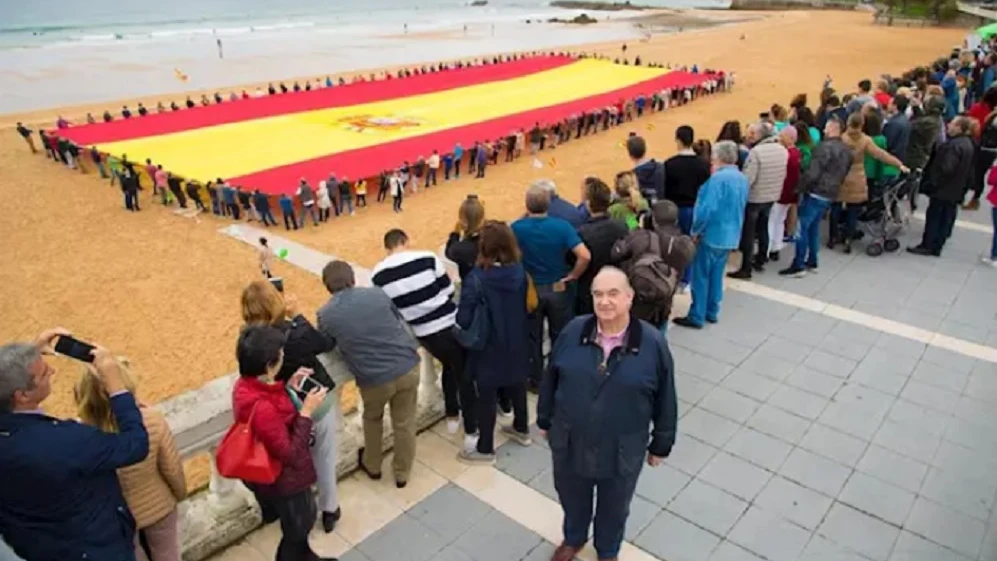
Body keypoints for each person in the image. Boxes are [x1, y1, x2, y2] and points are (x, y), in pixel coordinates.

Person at [538, 267, 676, 561]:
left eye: (613, 294)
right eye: (598, 294)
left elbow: (666, 397)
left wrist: (661, 443)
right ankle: (574, 537)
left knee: (615, 506)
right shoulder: (574, 331)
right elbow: (550, 377)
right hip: (570, 440)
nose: (605, 301)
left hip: (622, 446)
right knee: (572, 496)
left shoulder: (652, 344)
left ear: (629, 298)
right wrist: (545, 418)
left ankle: (608, 550)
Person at [0, 329, 150, 561]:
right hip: (97, 550)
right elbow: (135, 444)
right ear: (21, 395)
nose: (52, 370)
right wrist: (115, 383)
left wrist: (27, 357)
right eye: (43, 374)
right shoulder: (67, 441)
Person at [240, 281, 341, 533]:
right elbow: (325, 343)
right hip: (315, 401)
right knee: (324, 459)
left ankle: (300, 508)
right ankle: (329, 510)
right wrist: (296, 316)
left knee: (295, 466)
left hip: (283, 411)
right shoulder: (293, 331)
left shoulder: (249, 340)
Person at [232, 326, 334, 561]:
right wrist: (306, 411)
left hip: (278, 479)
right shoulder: (261, 406)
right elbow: (289, 452)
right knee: (297, 530)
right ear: (269, 365)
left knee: (299, 529)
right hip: (286, 481)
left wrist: (289, 387)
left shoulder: (246, 386)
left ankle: (307, 556)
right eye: (280, 353)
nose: (284, 356)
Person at [316, 261, 421, 488]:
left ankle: (373, 465)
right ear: (352, 279)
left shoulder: (325, 314)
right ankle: (402, 473)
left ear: (327, 286)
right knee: (405, 423)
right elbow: (396, 321)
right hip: (406, 365)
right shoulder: (377, 294)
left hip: (374, 380)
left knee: (372, 419)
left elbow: (325, 344)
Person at [74, 360, 186, 561]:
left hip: (117, 517)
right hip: (159, 505)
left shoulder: (80, 436)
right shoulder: (151, 419)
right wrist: (179, 494)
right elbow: (172, 468)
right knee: (168, 554)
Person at [371, 229, 476, 444]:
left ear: (387, 247)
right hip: (449, 324)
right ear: (405, 240)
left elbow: (391, 309)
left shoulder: (377, 276)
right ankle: (472, 430)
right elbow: (447, 290)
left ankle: (452, 414)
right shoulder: (427, 257)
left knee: (450, 365)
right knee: (465, 375)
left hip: (424, 334)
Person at [455, 221, 533, 463]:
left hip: (488, 345)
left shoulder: (477, 278)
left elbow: (464, 318)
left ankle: (486, 448)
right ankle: (522, 428)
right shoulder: (520, 271)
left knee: (486, 397)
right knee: (517, 383)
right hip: (518, 338)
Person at [512, 183, 591, 391]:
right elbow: (584, 256)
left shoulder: (517, 228)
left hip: (532, 290)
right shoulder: (561, 226)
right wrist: (572, 276)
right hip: (558, 287)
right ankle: (559, 377)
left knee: (533, 337)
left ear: (527, 205)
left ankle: (536, 380)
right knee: (560, 335)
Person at [673, 142, 749, 328]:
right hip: (730, 234)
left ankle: (697, 314)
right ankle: (712, 311)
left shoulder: (717, 180)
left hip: (712, 234)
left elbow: (706, 209)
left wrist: (695, 231)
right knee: (716, 274)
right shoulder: (741, 178)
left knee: (701, 276)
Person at [779, 118, 853, 277]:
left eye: (827, 128)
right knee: (813, 228)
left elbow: (812, 173)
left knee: (802, 227)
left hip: (816, 192)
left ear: (833, 129)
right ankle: (812, 260)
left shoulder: (823, 148)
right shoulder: (846, 150)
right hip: (830, 193)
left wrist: (798, 188)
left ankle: (798, 264)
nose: (824, 131)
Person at [830, 112, 907, 254]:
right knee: (853, 210)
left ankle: (833, 237)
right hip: (857, 177)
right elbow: (881, 154)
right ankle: (848, 239)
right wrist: (898, 164)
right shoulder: (865, 140)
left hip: (841, 176)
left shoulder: (841, 138)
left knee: (836, 207)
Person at [612, 200, 695, 331]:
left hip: (638, 302)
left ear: (653, 219)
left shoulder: (642, 237)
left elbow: (616, 253)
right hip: (664, 303)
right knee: (658, 337)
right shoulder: (685, 245)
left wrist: (632, 222)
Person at [908, 117, 976, 257]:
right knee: (946, 218)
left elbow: (946, 168)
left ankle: (928, 245)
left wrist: (933, 182)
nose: (948, 126)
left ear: (959, 127)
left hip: (943, 190)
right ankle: (937, 245)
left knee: (935, 217)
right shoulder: (967, 144)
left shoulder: (953, 146)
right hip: (955, 190)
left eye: (952, 124)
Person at [728, 122, 787, 279]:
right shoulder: (782, 149)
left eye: (754, 134)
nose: (751, 136)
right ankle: (762, 256)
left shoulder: (756, 152)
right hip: (772, 195)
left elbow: (748, 178)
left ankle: (746, 267)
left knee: (749, 231)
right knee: (763, 226)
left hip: (755, 197)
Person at [664, 125, 711, 289]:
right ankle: (686, 279)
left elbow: (666, 191)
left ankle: (676, 277)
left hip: (676, 210)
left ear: (678, 140)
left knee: (674, 246)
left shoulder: (670, 164)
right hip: (695, 209)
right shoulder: (703, 164)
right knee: (690, 244)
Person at [576, 178, 629, 315]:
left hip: (591, 290)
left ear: (588, 204)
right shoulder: (622, 225)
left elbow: (573, 259)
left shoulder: (583, 232)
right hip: (617, 283)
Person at [768, 126, 802, 262]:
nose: (780, 138)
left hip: (780, 193)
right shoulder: (797, 153)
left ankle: (769, 248)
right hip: (790, 194)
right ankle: (776, 247)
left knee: (772, 221)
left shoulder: (786, 155)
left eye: (783, 136)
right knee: (780, 221)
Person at [967, 88, 997, 210]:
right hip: (990, 149)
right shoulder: (991, 113)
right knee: (979, 173)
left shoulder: (981, 109)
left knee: (975, 172)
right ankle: (975, 198)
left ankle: (973, 198)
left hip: (981, 145)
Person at [445, 196, 486, 279]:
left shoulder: (459, 249)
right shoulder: (494, 238)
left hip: (472, 286)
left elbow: (449, 252)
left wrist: (455, 234)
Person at [627, 135, 664, 202]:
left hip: (646, 208)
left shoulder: (631, 177)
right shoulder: (661, 165)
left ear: (630, 156)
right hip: (663, 206)